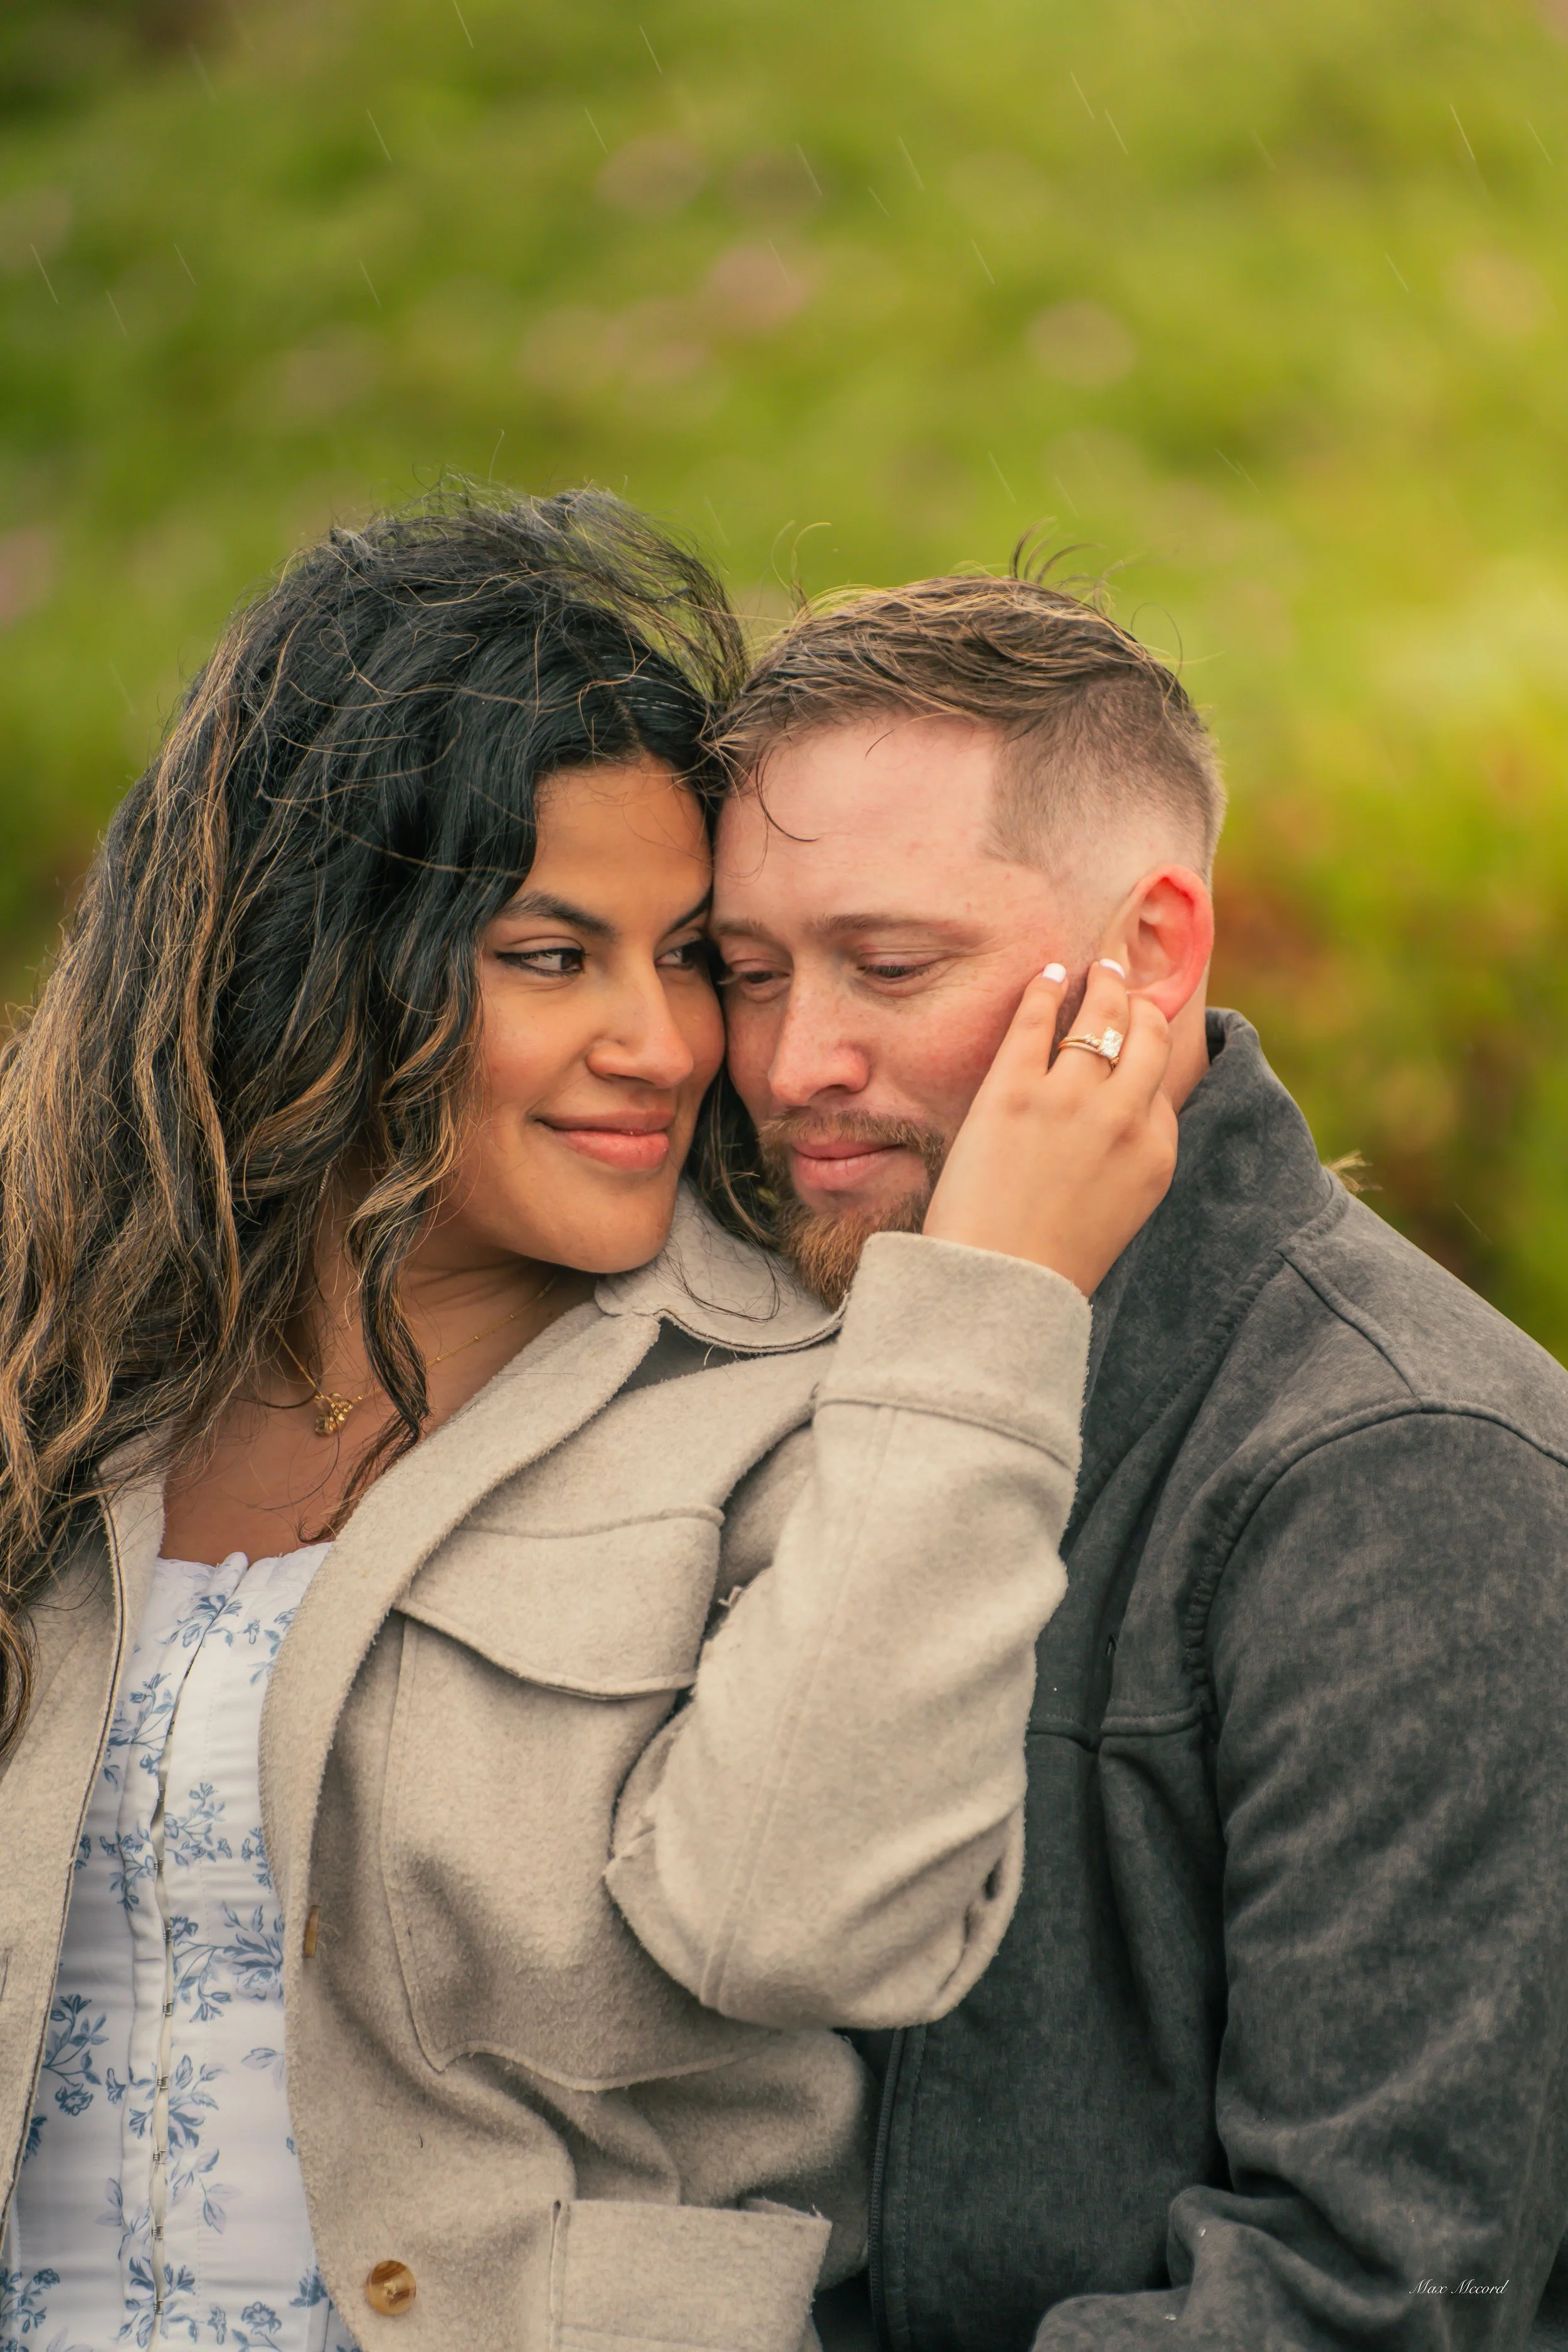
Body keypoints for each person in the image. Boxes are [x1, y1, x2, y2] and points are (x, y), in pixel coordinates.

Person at [0, 492, 1175, 2352]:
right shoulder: (56, 1392)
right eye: (552, 956)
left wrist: (984, 1318)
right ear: (318, 964)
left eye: (690, 954)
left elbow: (807, 1918)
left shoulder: (805, 1411)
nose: (669, 1039)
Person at [711, 566, 1568, 2351]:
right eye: (746, 973)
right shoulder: (760, 1340)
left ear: (1152, 953)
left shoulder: (1408, 1472)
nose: (796, 1060)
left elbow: (1372, 2291)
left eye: (888, 964)